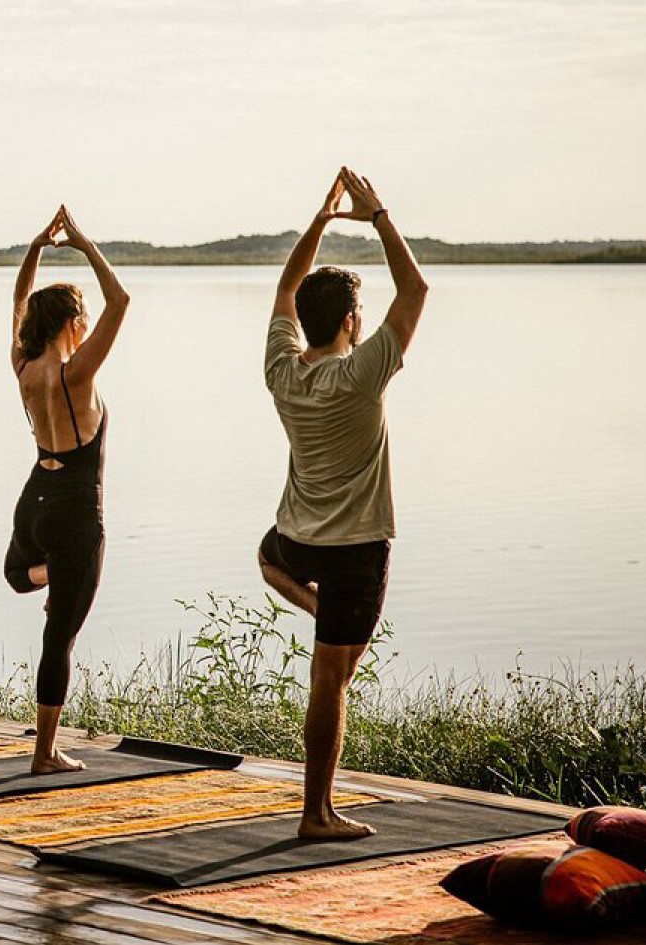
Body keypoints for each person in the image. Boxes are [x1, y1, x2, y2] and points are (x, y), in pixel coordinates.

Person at [260, 167, 428, 840]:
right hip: (356, 550)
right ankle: (317, 814)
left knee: (269, 557)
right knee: (332, 680)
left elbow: (284, 289)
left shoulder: (282, 370)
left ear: (306, 321)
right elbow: (415, 290)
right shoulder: (362, 373)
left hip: (296, 542)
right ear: (352, 321)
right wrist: (377, 214)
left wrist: (322, 219)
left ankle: (308, 599)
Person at [5, 206, 129, 773]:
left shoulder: (23, 366)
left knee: (17, 574)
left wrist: (35, 249)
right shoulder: (76, 374)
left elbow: (18, 301)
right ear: (73, 322)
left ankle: (53, 572)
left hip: (35, 499)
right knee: (60, 639)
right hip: (77, 512)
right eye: (83, 319)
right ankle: (45, 752)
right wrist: (82, 243)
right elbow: (120, 301)